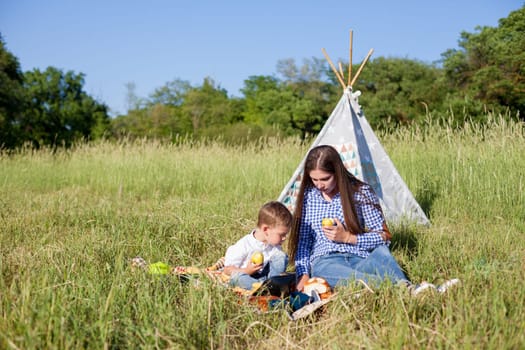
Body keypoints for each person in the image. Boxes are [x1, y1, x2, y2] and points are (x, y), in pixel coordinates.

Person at [287, 145, 459, 295]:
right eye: (314, 179)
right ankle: (411, 290)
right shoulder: (308, 197)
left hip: (361, 256)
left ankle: (411, 291)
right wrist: (303, 274)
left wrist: (348, 238)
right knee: (344, 276)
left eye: (325, 179)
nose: (319, 184)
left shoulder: (359, 192)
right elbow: (303, 243)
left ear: (337, 173)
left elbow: (384, 236)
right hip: (326, 260)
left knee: (382, 253)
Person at [223, 201, 292, 291]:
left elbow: (275, 266)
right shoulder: (244, 245)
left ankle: (273, 284)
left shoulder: (274, 246)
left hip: (267, 278)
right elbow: (227, 270)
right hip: (247, 277)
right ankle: (263, 289)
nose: (284, 238)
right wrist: (247, 271)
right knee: (237, 278)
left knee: (281, 256)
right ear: (266, 230)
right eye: (282, 235)